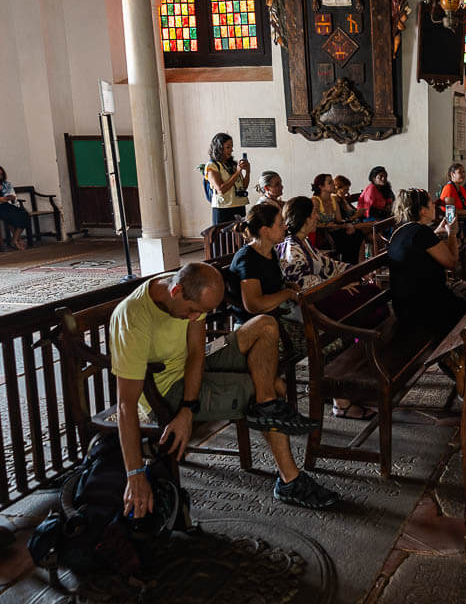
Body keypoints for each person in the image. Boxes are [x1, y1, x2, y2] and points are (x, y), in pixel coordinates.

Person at [108, 262, 336, 512]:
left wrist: (189, 407)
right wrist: (135, 473)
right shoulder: (132, 318)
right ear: (176, 292)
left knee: (265, 325)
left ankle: (268, 402)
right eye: (194, 311)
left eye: (202, 312)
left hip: (196, 366)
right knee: (259, 389)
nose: (196, 317)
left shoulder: (188, 287)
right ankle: (290, 479)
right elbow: (125, 404)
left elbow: (196, 353)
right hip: (166, 391)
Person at [277, 196, 380, 420]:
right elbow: (301, 284)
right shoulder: (291, 247)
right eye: (313, 214)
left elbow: (328, 265)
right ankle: (343, 389)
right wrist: (340, 287)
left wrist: (355, 272)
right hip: (312, 305)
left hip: (324, 296)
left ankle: (354, 378)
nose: (317, 217)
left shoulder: (303, 242)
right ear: (304, 219)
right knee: (369, 304)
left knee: (372, 296)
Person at [387, 187, 466, 339]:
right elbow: (452, 262)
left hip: (405, 307)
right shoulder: (422, 232)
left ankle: (456, 358)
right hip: (426, 310)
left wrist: (436, 233)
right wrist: (452, 233)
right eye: (431, 203)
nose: (434, 205)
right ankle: (461, 356)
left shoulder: (400, 231)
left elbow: (415, 249)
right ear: (422, 210)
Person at [226, 203, 304, 360]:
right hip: (256, 328)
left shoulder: (270, 252)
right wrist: (287, 293)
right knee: (326, 343)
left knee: (332, 337)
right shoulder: (247, 258)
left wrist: (288, 286)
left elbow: (270, 285)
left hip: (275, 318)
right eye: (280, 223)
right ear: (265, 231)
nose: (285, 226)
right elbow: (254, 304)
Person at [312, 172, 364, 263]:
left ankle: (352, 268)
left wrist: (347, 225)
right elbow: (312, 223)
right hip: (322, 234)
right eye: (330, 183)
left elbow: (339, 220)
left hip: (334, 230)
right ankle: (348, 268)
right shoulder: (315, 201)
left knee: (357, 234)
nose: (333, 185)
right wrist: (328, 225)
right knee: (348, 239)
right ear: (321, 187)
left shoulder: (333, 199)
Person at [204, 133, 250, 223]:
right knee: (224, 236)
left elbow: (243, 187)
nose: (231, 150)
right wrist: (237, 172)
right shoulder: (212, 165)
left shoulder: (233, 164)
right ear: (219, 148)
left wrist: (247, 172)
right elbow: (221, 189)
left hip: (239, 205)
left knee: (239, 235)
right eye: (228, 147)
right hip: (223, 208)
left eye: (231, 147)